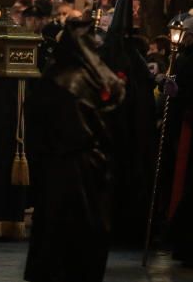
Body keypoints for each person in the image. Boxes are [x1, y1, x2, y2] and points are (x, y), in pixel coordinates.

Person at [25, 19, 126, 281]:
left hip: (60, 164)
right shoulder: (101, 82)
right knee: (88, 231)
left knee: (56, 232)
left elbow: (36, 126)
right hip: (92, 164)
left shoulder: (53, 79)